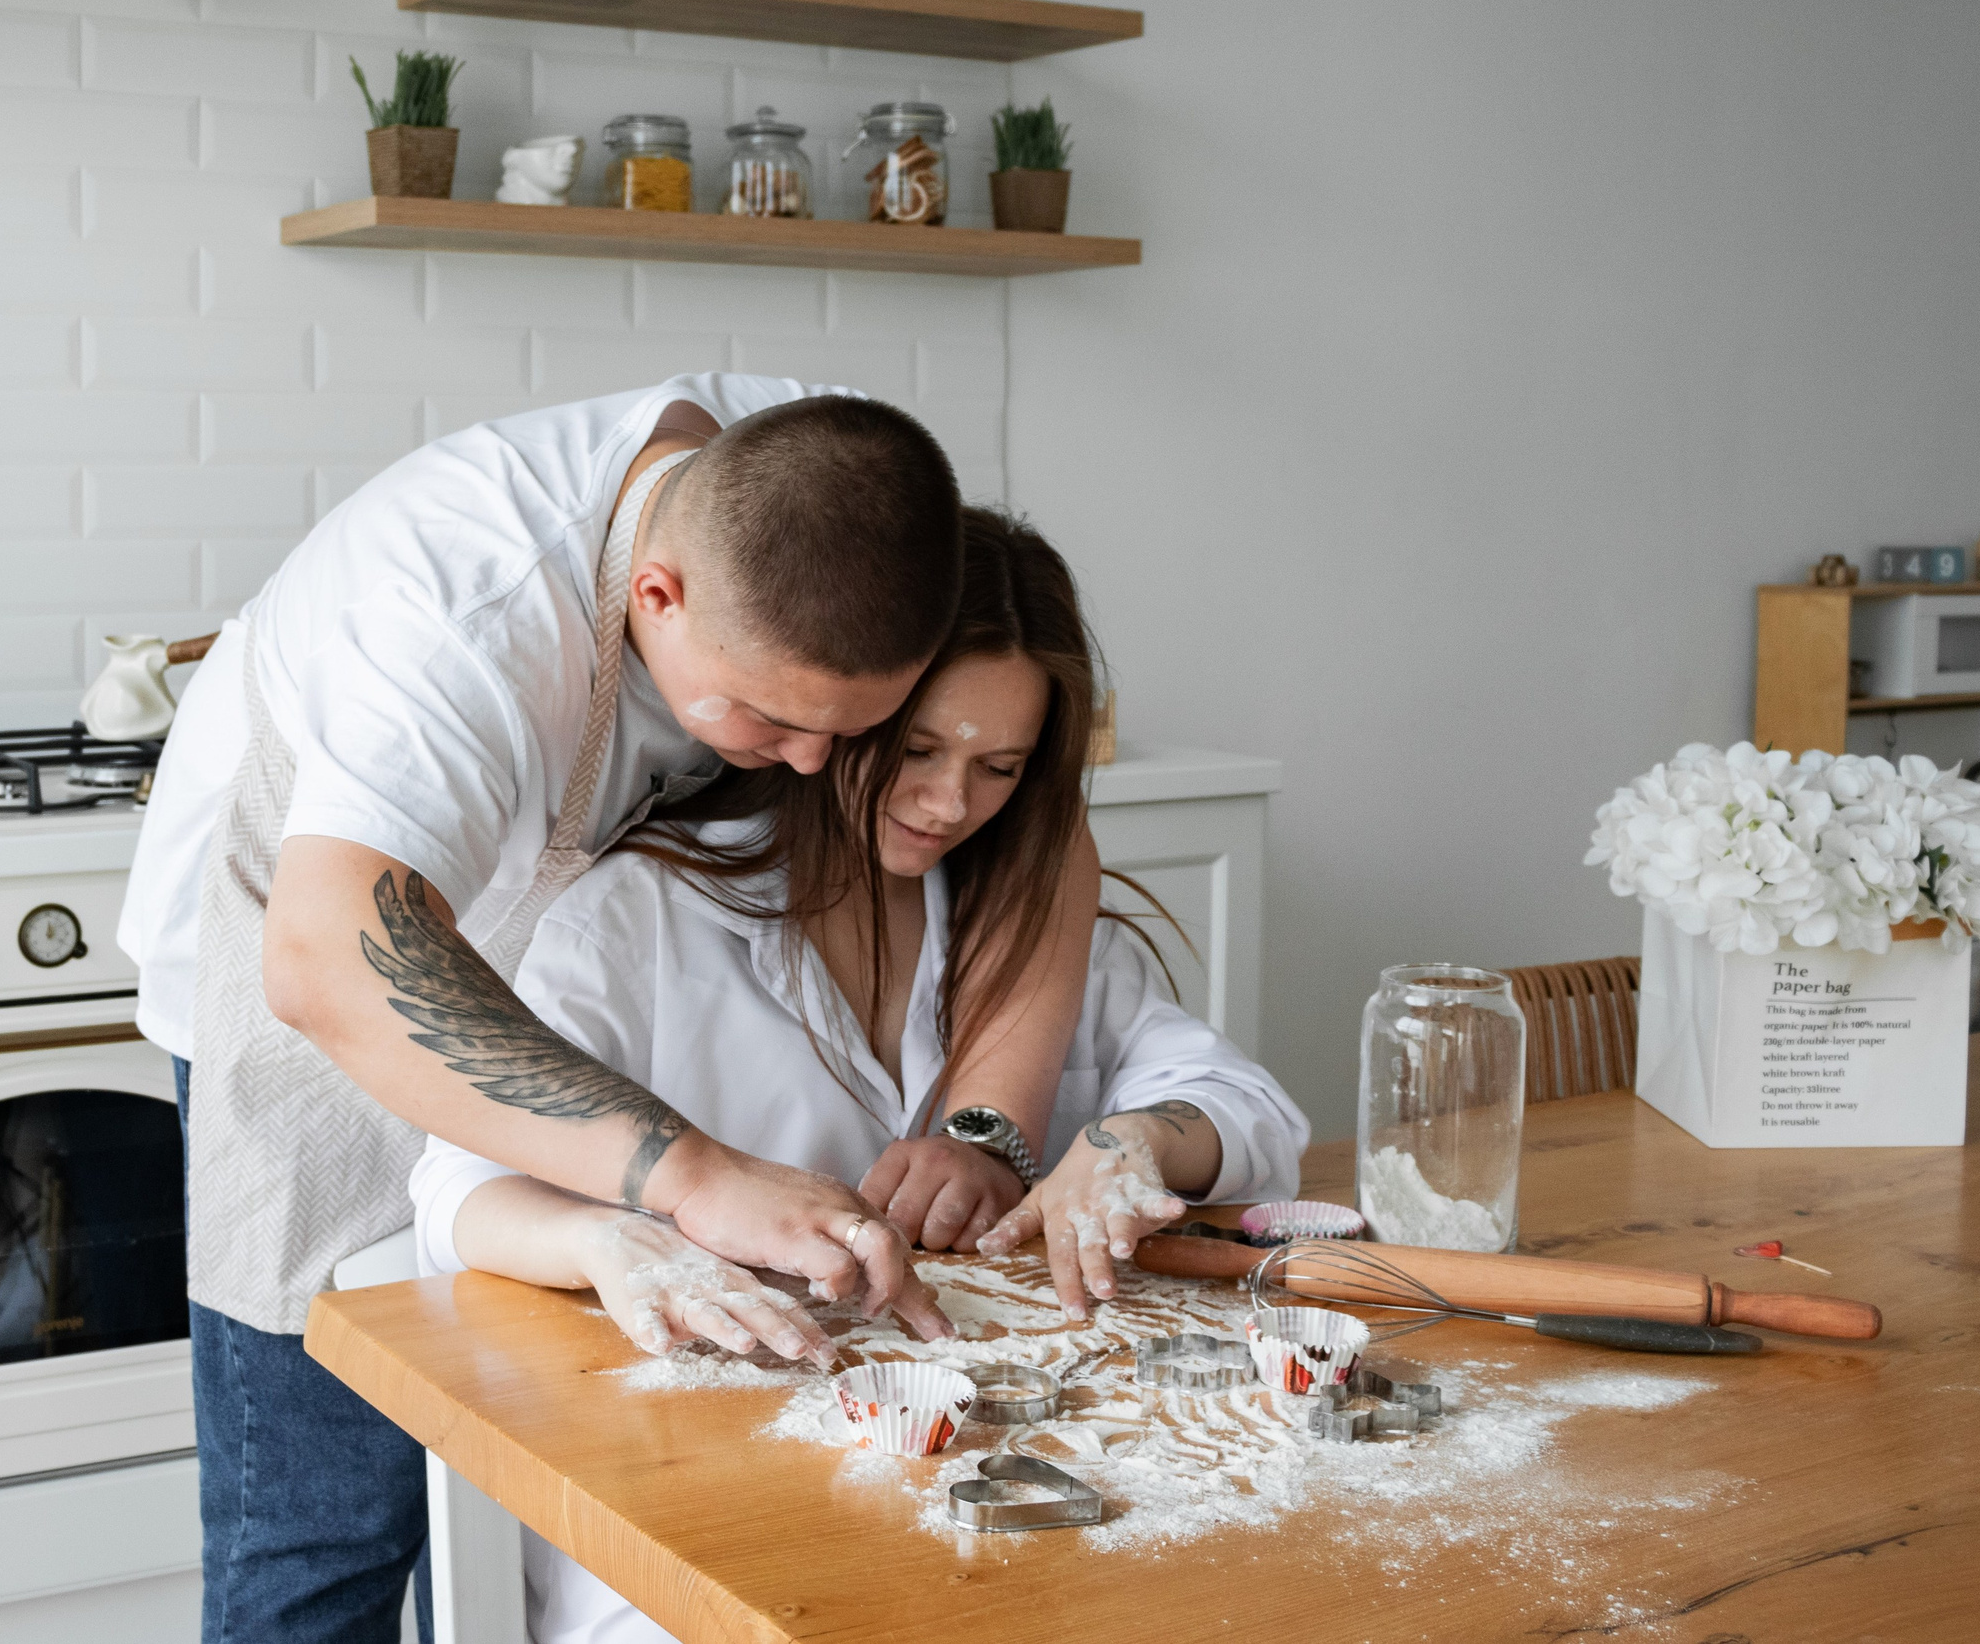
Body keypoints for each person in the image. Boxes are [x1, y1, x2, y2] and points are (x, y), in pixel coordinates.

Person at [115, 379, 1102, 1641]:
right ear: (656, 594)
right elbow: (324, 961)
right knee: (335, 1514)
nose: (812, 765)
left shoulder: (844, 497)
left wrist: (988, 1124)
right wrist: (690, 1172)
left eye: (853, 732)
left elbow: (1045, 828)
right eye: (773, 720)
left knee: (509, 1479)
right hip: (310, 974)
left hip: (521, 935)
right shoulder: (459, 613)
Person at [412, 508, 1309, 1644]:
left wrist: (1133, 1143)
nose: (950, 803)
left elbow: (1253, 1114)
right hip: (701, 1506)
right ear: (836, 713)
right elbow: (457, 1189)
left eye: (999, 767)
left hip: (997, 1487)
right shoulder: (636, 921)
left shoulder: (1024, 918)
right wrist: (615, 1240)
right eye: (919, 751)